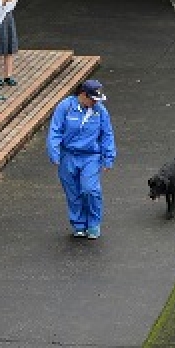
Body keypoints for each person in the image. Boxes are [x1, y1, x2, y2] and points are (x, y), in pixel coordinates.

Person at [46, 80, 116, 239]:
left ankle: (93, 224)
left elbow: (107, 134)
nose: (95, 102)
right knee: (73, 192)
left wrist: (109, 157)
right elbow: (55, 130)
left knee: (90, 189)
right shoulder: (65, 107)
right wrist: (54, 153)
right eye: (92, 99)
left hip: (90, 156)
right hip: (68, 155)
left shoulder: (100, 111)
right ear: (82, 95)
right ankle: (78, 224)